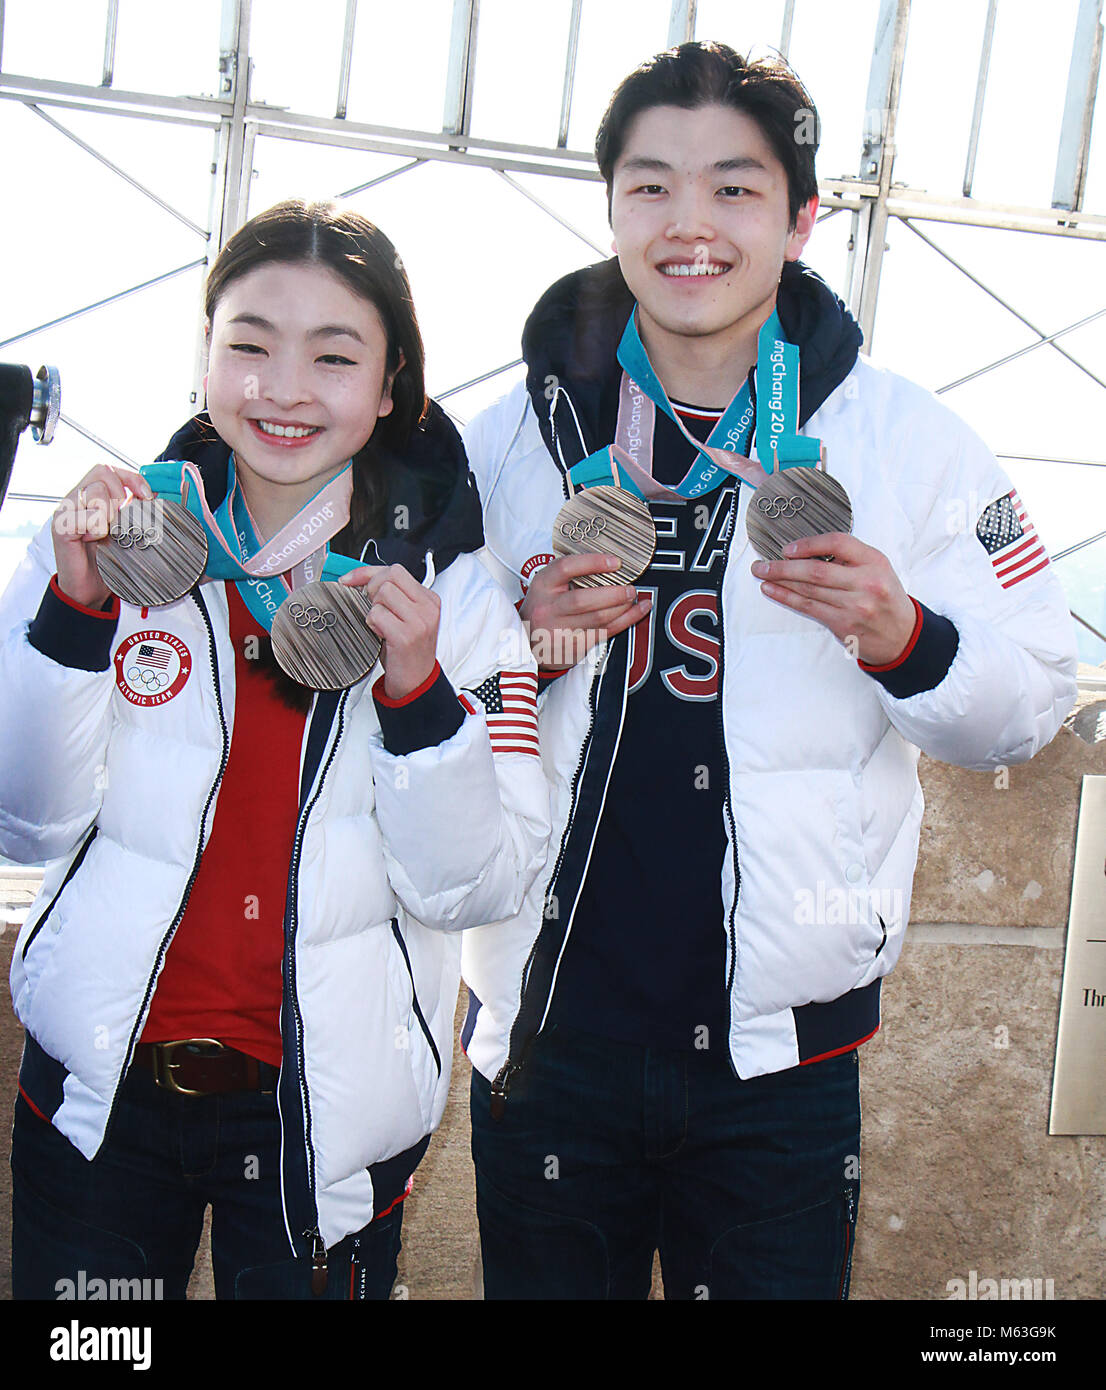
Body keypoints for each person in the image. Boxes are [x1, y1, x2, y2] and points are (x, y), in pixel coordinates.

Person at [460, 42, 1078, 1300]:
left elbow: (1034, 693)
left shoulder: (908, 441)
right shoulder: (504, 438)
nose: (689, 225)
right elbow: (402, 691)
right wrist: (513, 643)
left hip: (781, 1067)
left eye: (734, 189)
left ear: (802, 218)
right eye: (651, 186)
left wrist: (907, 634)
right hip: (549, 1044)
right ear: (613, 207)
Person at [1, 200, 550, 1300]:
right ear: (205, 360)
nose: (285, 388)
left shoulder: (459, 598)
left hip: (324, 1124)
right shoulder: (108, 542)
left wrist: (417, 698)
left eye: (333, 356)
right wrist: (73, 608)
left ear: (390, 386)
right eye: (248, 345)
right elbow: (27, 820)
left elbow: (475, 885)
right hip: (101, 1097)